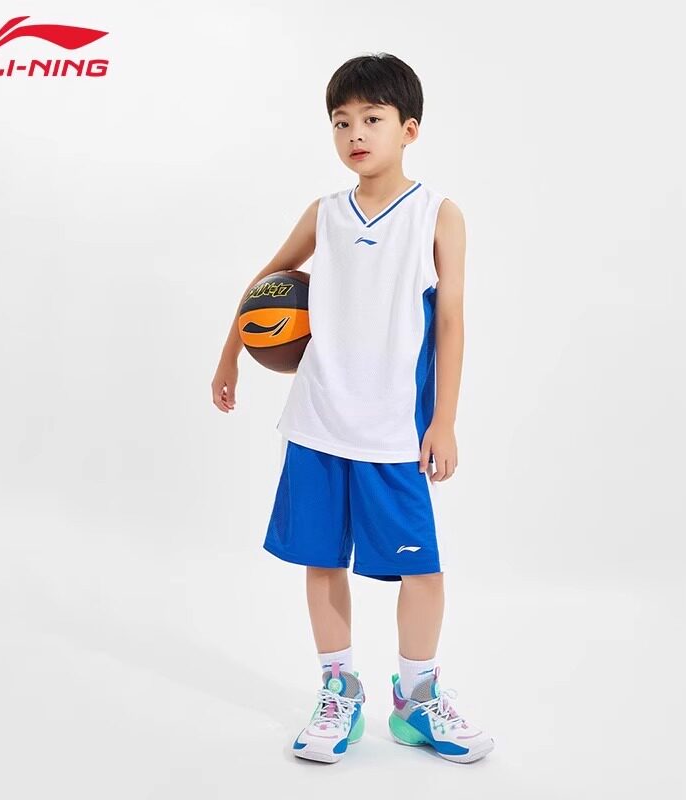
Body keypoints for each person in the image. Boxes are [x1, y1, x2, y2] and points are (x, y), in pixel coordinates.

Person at [211, 52, 494, 765]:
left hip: (394, 429)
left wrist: (445, 419)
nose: (355, 134)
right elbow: (268, 281)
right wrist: (228, 356)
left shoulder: (437, 214)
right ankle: (339, 690)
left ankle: (417, 700)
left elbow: (452, 320)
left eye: (372, 118)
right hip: (317, 420)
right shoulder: (326, 213)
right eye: (341, 122)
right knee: (320, 559)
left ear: (409, 129)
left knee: (422, 570)